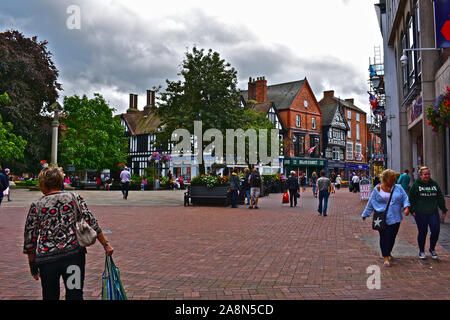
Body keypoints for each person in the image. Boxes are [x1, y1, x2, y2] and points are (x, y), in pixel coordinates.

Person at [23, 166, 114, 300]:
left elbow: (30, 237)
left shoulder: (37, 205)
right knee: (75, 293)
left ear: (43, 183)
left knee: (50, 295)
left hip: (47, 261)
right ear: (61, 181)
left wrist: (32, 264)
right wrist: (105, 244)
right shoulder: (74, 198)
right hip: (73, 257)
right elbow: (91, 221)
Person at [361, 169, 410, 267]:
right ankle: (386, 257)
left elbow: (405, 198)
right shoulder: (377, 189)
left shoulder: (398, 188)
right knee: (384, 237)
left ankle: (388, 251)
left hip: (396, 217)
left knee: (392, 237)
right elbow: (371, 202)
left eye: (394, 179)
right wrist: (365, 214)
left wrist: (407, 207)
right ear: (386, 179)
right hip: (382, 217)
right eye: (391, 179)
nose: (393, 181)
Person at [409, 166, 448, 260]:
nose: (427, 176)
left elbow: (439, 197)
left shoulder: (434, 184)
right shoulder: (416, 185)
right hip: (420, 212)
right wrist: (412, 210)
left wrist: (443, 209)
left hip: (433, 212)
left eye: (428, 174)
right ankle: (421, 251)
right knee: (423, 232)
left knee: (435, 230)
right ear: (420, 175)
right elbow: (411, 198)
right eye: (425, 174)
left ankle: (432, 248)